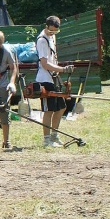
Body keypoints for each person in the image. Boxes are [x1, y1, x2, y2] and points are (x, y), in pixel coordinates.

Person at [35, 16, 74, 147]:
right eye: (51, 31)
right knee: (49, 110)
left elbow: (53, 60)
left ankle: (54, 136)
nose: (53, 34)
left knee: (61, 108)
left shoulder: (52, 37)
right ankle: (46, 140)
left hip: (54, 78)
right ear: (46, 26)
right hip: (44, 79)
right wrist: (63, 69)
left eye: (55, 32)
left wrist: (59, 72)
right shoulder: (42, 40)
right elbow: (45, 64)